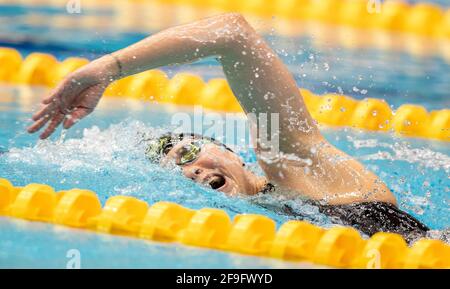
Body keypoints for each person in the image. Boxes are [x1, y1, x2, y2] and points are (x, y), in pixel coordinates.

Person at [27, 13, 429, 242]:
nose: (190, 170)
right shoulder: (250, 226)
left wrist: (108, 68)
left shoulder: (289, 160)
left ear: (233, 153)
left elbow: (232, 34)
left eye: (187, 153)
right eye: (177, 171)